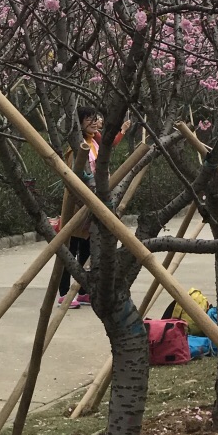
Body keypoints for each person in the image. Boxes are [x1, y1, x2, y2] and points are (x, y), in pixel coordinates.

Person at [58, 106, 130, 308]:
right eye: (89, 119)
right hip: (79, 206)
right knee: (69, 251)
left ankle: (82, 290)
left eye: (96, 119)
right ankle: (64, 292)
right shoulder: (77, 148)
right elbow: (76, 181)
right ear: (79, 123)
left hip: (94, 203)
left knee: (87, 249)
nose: (95, 123)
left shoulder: (94, 143)